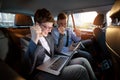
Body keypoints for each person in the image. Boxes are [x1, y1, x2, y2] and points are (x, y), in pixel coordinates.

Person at [22, 8, 97, 80]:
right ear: (37, 24)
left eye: (50, 28)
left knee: (83, 61)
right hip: (41, 74)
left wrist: (61, 35)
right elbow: (26, 68)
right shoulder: (26, 40)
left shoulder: (49, 37)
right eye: (46, 27)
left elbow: (57, 50)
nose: (48, 31)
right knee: (80, 70)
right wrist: (34, 40)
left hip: (53, 64)